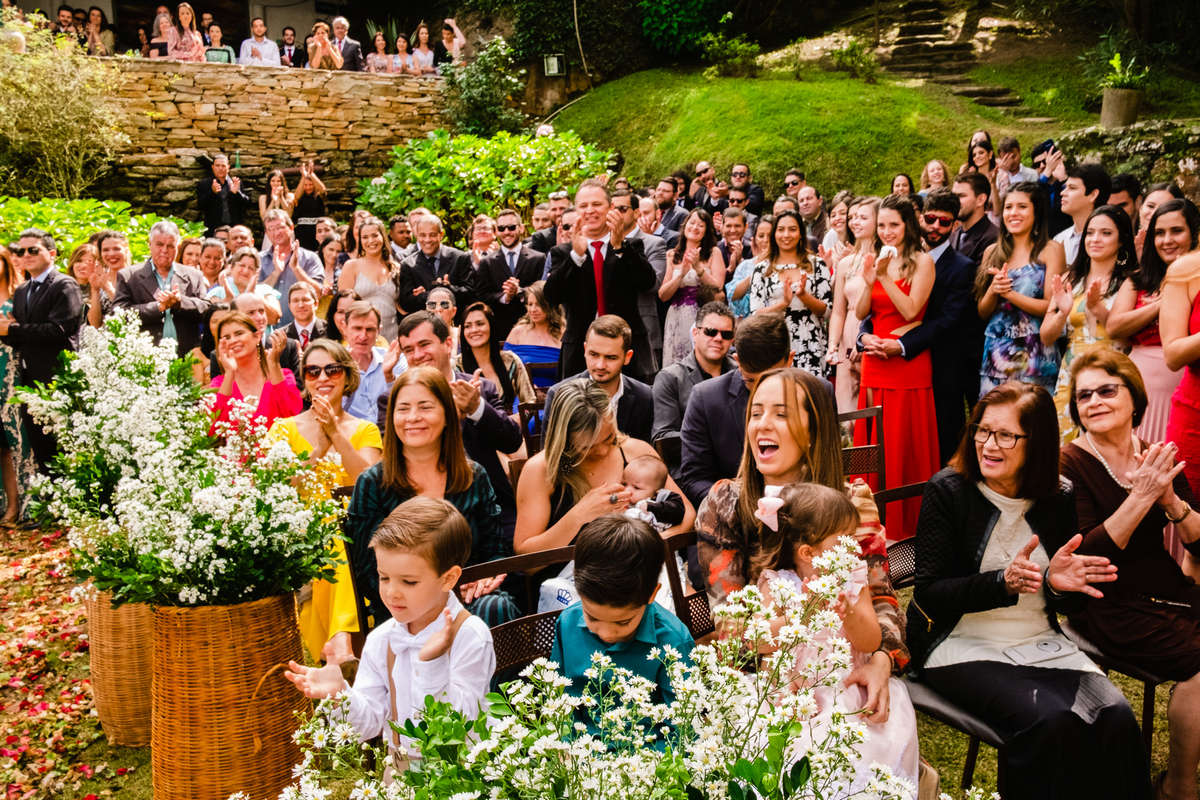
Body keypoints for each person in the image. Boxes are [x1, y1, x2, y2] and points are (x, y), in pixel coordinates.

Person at [907, 381, 1150, 800]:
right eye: (981, 430)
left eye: (1005, 435)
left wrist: (1058, 587)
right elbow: (929, 592)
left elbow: (1064, 599)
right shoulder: (948, 491)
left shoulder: (1058, 496)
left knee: (1116, 716)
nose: (988, 445)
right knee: (1049, 721)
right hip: (960, 642)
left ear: (1035, 443)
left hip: (1036, 639)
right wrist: (1000, 583)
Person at [695, 367, 911, 698]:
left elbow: (881, 599)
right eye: (756, 412)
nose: (762, 423)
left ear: (813, 431)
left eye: (781, 414)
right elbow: (732, 629)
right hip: (764, 678)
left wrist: (882, 660)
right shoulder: (725, 504)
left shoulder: (851, 504)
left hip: (844, 671)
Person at [1060, 350, 1200, 800]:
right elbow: (1088, 558)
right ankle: (1177, 786)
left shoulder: (1156, 455)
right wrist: (1141, 497)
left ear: (1133, 397)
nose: (1095, 401)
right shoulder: (1068, 465)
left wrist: (1173, 505)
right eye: (1084, 395)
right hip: (1105, 602)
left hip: (1164, 586)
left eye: (1106, 390)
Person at [284, 498, 495, 752]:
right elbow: (366, 725)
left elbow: (462, 725)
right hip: (400, 774)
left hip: (458, 777)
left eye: (409, 581)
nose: (392, 592)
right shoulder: (381, 640)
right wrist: (340, 695)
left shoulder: (470, 635)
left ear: (448, 578)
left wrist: (432, 664)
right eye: (384, 577)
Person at [753, 481, 919, 790]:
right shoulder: (777, 582)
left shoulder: (853, 578)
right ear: (808, 552)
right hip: (794, 688)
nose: (855, 548)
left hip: (846, 685)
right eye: (844, 540)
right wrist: (798, 616)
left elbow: (870, 642)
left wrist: (851, 612)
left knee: (863, 751)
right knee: (795, 753)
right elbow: (760, 642)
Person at [349, 367, 518, 629]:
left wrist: (486, 579)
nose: (413, 417)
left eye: (425, 407)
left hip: (468, 597)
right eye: (403, 409)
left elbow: (496, 552)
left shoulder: (474, 476)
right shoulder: (372, 483)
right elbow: (367, 572)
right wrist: (428, 596)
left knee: (496, 607)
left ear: (447, 415)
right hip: (403, 606)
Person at [270, 339, 382, 663]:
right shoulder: (284, 429)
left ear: (347, 376)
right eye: (313, 371)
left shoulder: (365, 430)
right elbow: (278, 490)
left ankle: (337, 642)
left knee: (337, 535)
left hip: (356, 533)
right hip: (301, 533)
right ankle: (342, 641)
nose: (323, 377)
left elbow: (368, 485)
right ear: (304, 380)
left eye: (332, 369)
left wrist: (337, 435)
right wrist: (319, 447)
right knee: (330, 536)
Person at [549, 514, 693, 734]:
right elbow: (558, 700)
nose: (606, 633)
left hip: (649, 755)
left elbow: (683, 729)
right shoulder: (567, 623)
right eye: (593, 618)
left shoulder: (673, 641)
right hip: (579, 754)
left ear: (652, 594)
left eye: (623, 621)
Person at [514, 380, 694, 555]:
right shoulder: (541, 470)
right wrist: (579, 516)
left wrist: (652, 546)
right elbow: (526, 558)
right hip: (575, 577)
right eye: (587, 447)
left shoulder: (636, 452)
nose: (602, 451)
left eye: (609, 438)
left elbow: (687, 515)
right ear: (565, 439)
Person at [853, 194, 939, 539]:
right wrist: (871, 280)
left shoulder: (923, 261)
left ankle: (905, 525)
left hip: (907, 362)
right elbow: (862, 312)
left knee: (904, 439)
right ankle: (868, 519)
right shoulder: (876, 258)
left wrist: (885, 277)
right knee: (872, 439)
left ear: (908, 225)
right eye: (883, 225)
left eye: (894, 225)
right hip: (875, 359)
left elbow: (911, 309)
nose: (887, 232)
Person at [389, 312, 522, 532]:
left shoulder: (481, 388)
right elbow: (395, 458)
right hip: (423, 515)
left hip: (491, 509)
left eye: (424, 344)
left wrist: (475, 408)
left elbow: (512, 442)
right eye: (409, 350)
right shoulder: (394, 401)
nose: (418, 355)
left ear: (448, 344)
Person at [544, 179, 657, 382]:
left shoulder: (631, 246)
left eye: (597, 204)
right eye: (583, 206)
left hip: (627, 350)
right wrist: (576, 257)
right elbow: (551, 295)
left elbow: (647, 283)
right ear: (576, 211)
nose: (590, 211)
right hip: (580, 350)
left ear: (611, 208)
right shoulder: (562, 253)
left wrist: (620, 245)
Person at [678, 311, 792, 507]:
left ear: (790, 360)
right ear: (737, 361)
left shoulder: (817, 393)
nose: (761, 390)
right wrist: (742, 507)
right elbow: (695, 479)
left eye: (771, 379)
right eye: (751, 381)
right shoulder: (707, 398)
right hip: (732, 518)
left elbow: (826, 464)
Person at [1109, 199, 1198, 445]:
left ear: (1194, 232)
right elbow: (1114, 328)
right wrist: (1161, 305)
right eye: (1159, 233)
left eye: (1177, 231)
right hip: (1141, 379)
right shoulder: (1139, 280)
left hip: (1186, 382)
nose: (1167, 240)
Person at [1041, 205, 1134, 441]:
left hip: (1112, 375)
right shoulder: (1070, 279)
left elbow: (1127, 339)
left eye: (1106, 233)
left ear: (1122, 240)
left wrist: (1097, 309)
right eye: (1090, 233)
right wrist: (1062, 313)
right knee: (1065, 453)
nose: (1095, 239)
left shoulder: (1131, 281)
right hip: (1071, 374)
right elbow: (1046, 336)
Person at [977, 181, 1066, 394]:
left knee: (1032, 421)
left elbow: (1050, 306)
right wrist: (993, 290)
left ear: (1037, 211)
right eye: (1008, 207)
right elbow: (983, 312)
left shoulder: (1050, 249)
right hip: (997, 353)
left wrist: (1009, 294)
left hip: (1035, 353)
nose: (1013, 213)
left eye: (1022, 207)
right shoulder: (992, 251)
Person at [1, 231, 81, 469]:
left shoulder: (64, 284)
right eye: (20, 251)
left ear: (52, 254)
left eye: (33, 250)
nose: (26, 255)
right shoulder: (23, 290)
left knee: (63, 452)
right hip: (29, 381)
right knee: (41, 453)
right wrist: (7, 331)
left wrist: (12, 330)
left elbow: (59, 330)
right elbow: (21, 337)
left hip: (57, 380)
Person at [544, 315, 655, 443]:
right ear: (585, 350)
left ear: (627, 357)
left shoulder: (644, 397)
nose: (600, 365)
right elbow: (551, 456)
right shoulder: (559, 394)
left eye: (611, 357)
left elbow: (644, 456)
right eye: (594, 355)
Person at [748, 210, 831, 377]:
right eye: (781, 229)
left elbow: (827, 310)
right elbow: (755, 314)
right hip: (774, 340)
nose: (786, 235)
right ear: (774, 234)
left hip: (810, 340)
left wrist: (803, 296)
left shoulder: (817, 265)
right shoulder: (762, 268)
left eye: (792, 229)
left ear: (801, 233)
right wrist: (783, 304)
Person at [114, 220, 209, 357]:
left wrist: (180, 302)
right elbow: (119, 314)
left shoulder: (194, 275)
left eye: (170, 246)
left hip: (187, 356)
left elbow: (207, 310)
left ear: (178, 247)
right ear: (149, 244)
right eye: (159, 244)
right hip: (145, 358)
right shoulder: (129, 276)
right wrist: (158, 307)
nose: (164, 250)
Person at [652, 301, 736, 445]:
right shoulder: (670, 378)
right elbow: (663, 437)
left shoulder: (741, 373)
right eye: (710, 332)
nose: (718, 338)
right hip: (689, 463)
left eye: (726, 334)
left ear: (732, 339)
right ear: (695, 334)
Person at [825, 197, 878, 415]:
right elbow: (838, 311)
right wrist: (832, 346)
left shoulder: (885, 258)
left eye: (863, 217)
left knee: (871, 406)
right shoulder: (846, 263)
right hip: (847, 332)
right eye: (852, 217)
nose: (854, 222)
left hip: (872, 334)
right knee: (847, 409)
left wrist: (863, 341)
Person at [209, 311, 300, 429]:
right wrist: (229, 373)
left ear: (257, 336)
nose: (233, 340)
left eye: (239, 333)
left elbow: (292, 416)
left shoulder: (284, 376)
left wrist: (273, 364)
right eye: (226, 337)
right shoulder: (219, 384)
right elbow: (213, 430)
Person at [659, 209, 725, 368]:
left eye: (700, 225)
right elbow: (662, 295)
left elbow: (718, 286)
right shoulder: (672, 254)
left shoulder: (713, 252)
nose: (695, 227)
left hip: (703, 313)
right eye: (692, 223)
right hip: (676, 315)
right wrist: (680, 275)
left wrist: (698, 269)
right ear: (685, 225)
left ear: (706, 231)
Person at [473, 208, 544, 339]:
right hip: (499, 330)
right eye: (501, 228)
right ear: (496, 232)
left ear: (521, 228)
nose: (506, 232)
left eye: (511, 227)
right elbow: (481, 296)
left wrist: (520, 291)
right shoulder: (487, 262)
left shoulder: (538, 258)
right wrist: (504, 297)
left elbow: (543, 291)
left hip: (533, 328)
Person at [457, 302, 534, 414]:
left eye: (480, 324)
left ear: (491, 326)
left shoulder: (510, 360)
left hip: (508, 428)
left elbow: (530, 401)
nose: (474, 330)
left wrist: (518, 420)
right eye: (467, 326)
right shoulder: (456, 365)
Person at [396, 213, 472, 319]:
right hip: (423, 325)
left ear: (441, 234)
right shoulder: (408, 264)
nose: (427, 240)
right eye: (422, 235)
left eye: (432, 235)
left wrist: (449, 288)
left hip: (455, 324)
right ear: (416, 236)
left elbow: (471, 294)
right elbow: (406, 303)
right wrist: (431, 294)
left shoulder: (459, 258)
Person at [259, 209, 324, 328]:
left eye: (280, 227)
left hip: (302, 329)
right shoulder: (259, 260)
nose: (276, 233)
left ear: (291, 227)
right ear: (266, 233)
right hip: (269, 330)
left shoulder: (310, 258)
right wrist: (276, 273)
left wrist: (296, 268)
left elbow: (318, 293)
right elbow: (254, 295)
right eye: (271, 229)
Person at [339, 216, 400, 342]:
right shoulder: (352, 266)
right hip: (361, 336)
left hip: (392, 335)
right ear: (359, 241)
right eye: (365, 237)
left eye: (375, 235)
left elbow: (400, 305)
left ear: (383, 236)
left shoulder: (395, 267)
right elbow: (343, 307)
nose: (370, 241)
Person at [342, 302, 400, 422]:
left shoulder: (394, 359)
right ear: (344, 329)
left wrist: (389, 377)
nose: (363, 336)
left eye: (369, 329)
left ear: (379, 331)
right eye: (357, 328)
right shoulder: (333, 365)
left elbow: (403, 403)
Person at [503, 281, 563, 393]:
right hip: (522, 395)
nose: (533, 310)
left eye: (538, 304)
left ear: (549, 305)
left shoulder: (563, 334)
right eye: (530, 304)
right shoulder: (518, 332)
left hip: (556, 396)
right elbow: (504, 370)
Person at [1053, 164, 1112, 265]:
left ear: (1093, 195)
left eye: (1072, 188)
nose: (1063, 193)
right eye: (1065, 187)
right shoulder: (1059, 239)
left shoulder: (1109, 239)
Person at [621, 455, 686, 531]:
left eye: (636, 487)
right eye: (624, 484)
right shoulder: (622, 504)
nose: (626, 491)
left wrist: (651, 507)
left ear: (656, 493)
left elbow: (678, 511)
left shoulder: (661, 501)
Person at [951, 172, 999, 267]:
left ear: (980, 200)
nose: (954, 201)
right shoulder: (953, 234)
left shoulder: (994, 238)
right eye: (953, 196)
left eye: (961, 196)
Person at [196, 154, 251, 237]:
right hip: (213, 228)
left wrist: (237, 193)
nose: (220, 168)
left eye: (223, 166)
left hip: (234, 228)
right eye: (217, 166)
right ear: (213, 167)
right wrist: (212, 192)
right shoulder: (205, 184)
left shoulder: (235, 182)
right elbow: (200, 205)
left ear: (228, 167)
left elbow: (247, 203)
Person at [291, 162, 327, 252]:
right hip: (302, 232)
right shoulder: (300, 197)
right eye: (305, 185)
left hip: (316, 230)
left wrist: (311, 174)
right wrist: (303, 176)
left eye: (310, 185)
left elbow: (323, 189)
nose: (308, 187)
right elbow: (296, 196)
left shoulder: (319, 196)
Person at [283, 283, 326, 347]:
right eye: (295, 301)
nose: (301, 305)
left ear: (316, 304)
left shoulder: (330, 331)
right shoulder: (281, 336)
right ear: (289, 306)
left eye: (305, 300)